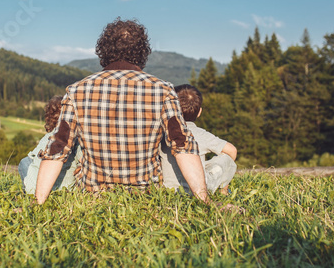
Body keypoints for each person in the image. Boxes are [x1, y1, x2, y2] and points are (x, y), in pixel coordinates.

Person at [35, 18, 209, 205]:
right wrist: (205, 200)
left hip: (92, 196)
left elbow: (58, 148)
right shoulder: (163, 90)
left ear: (104, 49)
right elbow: (183, 146)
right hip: (145, 197)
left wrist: (37, 203)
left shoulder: (77, 90)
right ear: (142, 51)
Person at [161, 84, 237, 195]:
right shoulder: (201, 134)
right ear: (199, 112)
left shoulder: (163, 133)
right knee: (226, 158)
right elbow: (232, 151)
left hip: (168, 190)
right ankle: (223, 191)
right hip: (198, 191)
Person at [18, 95, 82, 194]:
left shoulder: (47, 137)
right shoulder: (77, 138)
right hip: (66, 189)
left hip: (37, 189)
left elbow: (32, 158)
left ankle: (29, 189)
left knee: (25, 161)